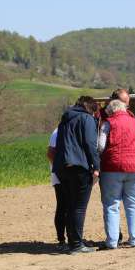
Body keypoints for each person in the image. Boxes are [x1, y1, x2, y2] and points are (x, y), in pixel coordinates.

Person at [98, 99, 135, 249]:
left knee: (111, 204)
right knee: (134, 203)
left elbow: (101, 146)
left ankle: (112, 241)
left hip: (112, 167)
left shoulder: (108, 123)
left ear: (111, 111)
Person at [52, 96, 100, 254]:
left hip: (61, 168)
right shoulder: (86, 119)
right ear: (92, 109)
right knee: (79, 207)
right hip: (79, 166)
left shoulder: (65, 119)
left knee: (70, 206)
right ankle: (77, 244)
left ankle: (73, 241)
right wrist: (96, 166)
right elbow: (90, 144)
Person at [46, 127, 67, 250]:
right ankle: (61, 240)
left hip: (64, 174)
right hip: (60, 175)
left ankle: (72, 238)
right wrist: (60, 171)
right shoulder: (58, 131)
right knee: (62, 206)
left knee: (70, 207)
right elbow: (50, 153)